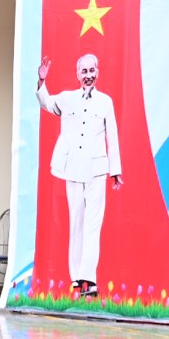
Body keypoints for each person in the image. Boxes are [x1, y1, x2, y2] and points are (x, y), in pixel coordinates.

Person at [37, 53, 122, 297]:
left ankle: (89, 279)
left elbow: (112, 135)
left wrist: (115, 170)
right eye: (84, 71)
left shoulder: (105, 102)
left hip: (97, 171)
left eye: (91, 70)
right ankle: (76, 278)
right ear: (77, 74)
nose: (88, 75)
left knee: (93, 225)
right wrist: (42, 81)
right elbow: (46, 102)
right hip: (73, 170)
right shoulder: (67, 98)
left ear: (97, 72)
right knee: (76, 224)